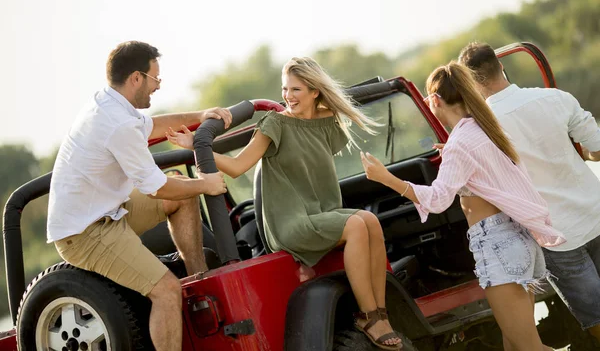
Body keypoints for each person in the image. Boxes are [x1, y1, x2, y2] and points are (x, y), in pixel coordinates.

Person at [166, 56, 403, 350]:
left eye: (296, 90)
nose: (288, 97)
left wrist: (322, 106)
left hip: (321, 212)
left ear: (315, 91)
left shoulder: (327, 122)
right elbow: (239, 166)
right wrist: (198, 147)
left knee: (371, 222)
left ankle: (380, 313)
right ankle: (368, 316)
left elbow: (332, 113)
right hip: (290, 222)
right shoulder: (274, 123)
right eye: (285, 89)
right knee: (356, 224)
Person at [360, 61, 564, 351]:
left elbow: (438, 200)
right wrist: (454, 154)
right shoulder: (483, 129)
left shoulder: (461, 143)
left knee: (528, 347)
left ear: (436, 100)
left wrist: (386, 178)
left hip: (498, 245)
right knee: (515, 346)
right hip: (516, 240)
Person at [47, 41, 232, 351]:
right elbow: (156, 188)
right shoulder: (116, 122)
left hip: (110, 212)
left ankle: (199, 280)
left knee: (180, 193)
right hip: (84, 233)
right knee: (166, 290)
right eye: (155, 79)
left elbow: (154, 125)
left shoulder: (111, 103)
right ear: (136, 78)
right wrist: (206, 184)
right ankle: (181, 293)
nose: (157, 87)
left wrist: (201, 114)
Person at [459, 41, 600, 343]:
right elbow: (597, 149)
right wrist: (579, 156)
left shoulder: (480, 131)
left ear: (472, 83)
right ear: (502, 69)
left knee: (596, 317)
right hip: (596, 212)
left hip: (558, 239)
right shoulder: (555, 99)